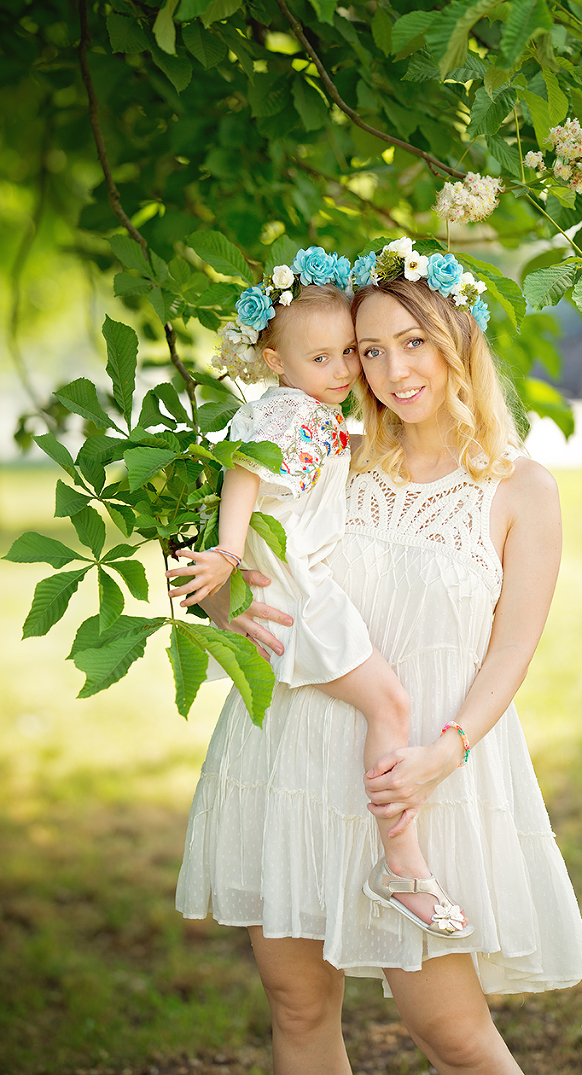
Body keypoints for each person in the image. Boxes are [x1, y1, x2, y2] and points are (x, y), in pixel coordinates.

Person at [175, 239, 582, 1074]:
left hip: (418, 772)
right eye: (370, 348)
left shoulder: (519, 487)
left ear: (457, 340)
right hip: (292, 754)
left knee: (452, 1034)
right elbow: (247, 571)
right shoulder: (331, 452)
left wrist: (448, 749)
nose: (394, 369)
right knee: (297, 1007)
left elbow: (513, 649)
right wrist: (226, 592)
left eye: (414, 342)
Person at [168, 251, 470, 936]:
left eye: (345, 356)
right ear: (276, 362)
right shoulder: (283, 415)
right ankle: (402, 864)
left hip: (302, 581)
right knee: (390, 700)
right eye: (321, 359)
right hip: (297, 587)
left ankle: (399, 862)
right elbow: (244, 474)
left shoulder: (310, 411)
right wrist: (228, 552)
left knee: (387, 703)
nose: (342, 372)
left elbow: (339, 455)